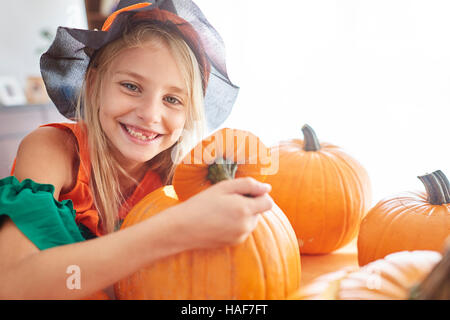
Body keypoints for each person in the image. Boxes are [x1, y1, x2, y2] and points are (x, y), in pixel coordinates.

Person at [0, 1, 273, 299]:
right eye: (131, 86)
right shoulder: (52, 151)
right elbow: (12, 286)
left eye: (172, 100)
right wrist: (176, 230)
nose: (150, 114)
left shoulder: (177, 183)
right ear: (93, 84)